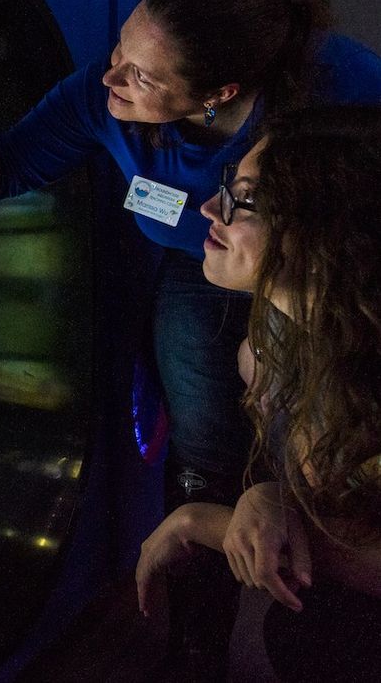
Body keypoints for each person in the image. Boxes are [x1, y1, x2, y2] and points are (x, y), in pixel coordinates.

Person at [0, 0, 381, 674]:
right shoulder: (110, 96)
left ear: (218, 93)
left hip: (322, 277)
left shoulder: (339, 92)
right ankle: (199, 636)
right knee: (212, 436)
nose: (112, 77)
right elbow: (8, 161)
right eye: (120, 52)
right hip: (213, 262)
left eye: (141, 76)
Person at [135, 105, 381, 680]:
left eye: (243, 199)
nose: (210, 208)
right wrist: (271, 495)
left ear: (324, 233)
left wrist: (203, 522)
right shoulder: (274, 323)